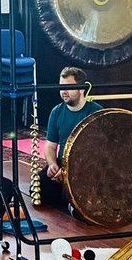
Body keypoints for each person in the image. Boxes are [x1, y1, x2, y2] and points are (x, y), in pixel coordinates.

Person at [39, 67, 100, 210]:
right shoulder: (56, 112)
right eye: (61, 87)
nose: (63, 91)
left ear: (82, 89)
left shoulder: (96, 113)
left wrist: (69, 171)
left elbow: (98, 154)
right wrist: (53, 164)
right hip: (62, 164)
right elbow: (50, 145)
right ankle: (68, 202)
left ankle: (72, 202)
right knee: (39, 188)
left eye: (68, 87)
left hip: (85, 169)